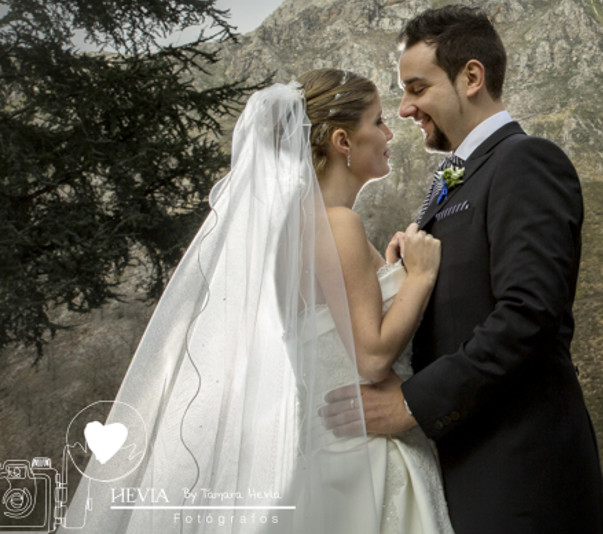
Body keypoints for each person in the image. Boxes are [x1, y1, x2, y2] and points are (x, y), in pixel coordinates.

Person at [66, 71, 453, 534]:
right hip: (366, 456)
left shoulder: (290, 231)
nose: (390, 133)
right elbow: (370, 357)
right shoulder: (339, 225)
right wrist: (421, 277)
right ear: (342, 141)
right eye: (379, 121)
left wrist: (390, 273)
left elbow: (337, 316)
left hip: (323, 457)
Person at [320, 5, 603, 534]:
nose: (405, 109)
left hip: (519, 479)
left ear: (471, 77)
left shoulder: (525, 161)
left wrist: (411, 404)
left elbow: (529, 313)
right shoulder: (456, 180)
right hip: (457, 472)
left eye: (417, 88)